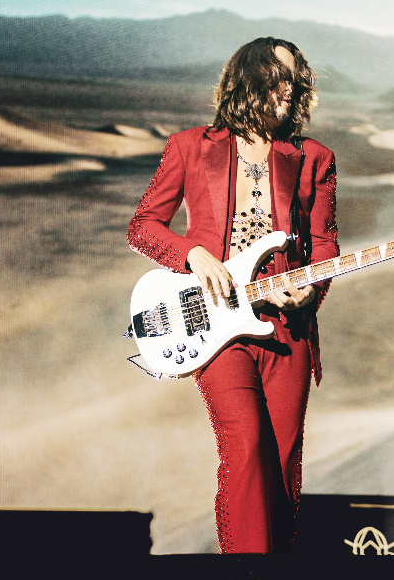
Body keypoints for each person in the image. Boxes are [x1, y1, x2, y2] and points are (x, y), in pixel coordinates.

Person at [127, 37, 338, 553]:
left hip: (286, 329)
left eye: (296, 78)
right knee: (245, 445)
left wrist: (310, 290)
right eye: (278, 76)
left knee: (284, 461)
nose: (290, 89)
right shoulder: (188, 146)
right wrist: (192, 257)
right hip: (216, 327)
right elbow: (143, 226)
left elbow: (327, 244)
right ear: (248, 79)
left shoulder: (315, 158)